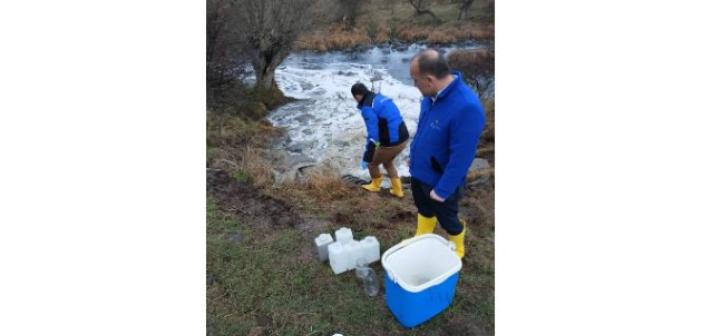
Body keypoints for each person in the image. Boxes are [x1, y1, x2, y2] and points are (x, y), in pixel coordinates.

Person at [408, 49, 485, 259]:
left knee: (448, 219)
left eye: (416, 81)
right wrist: (414, 156)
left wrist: (443, 190)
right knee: (423, 209)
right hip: (419, 172)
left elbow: (463, 157)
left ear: (430, 79)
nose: (414, 86)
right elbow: (425, 129)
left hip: (440, 182)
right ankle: (423, 234)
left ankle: (458, 245)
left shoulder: (467, 107)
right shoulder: (430, 96)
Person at [351, 82, 409, 198]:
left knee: (372, 163)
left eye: (354, 97)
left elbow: (373, 134)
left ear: (357, 96)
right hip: (404, 137)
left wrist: (367, 156)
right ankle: (398, 190)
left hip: (392, 141)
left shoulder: (367, 108)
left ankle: (375, 186)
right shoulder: (379, 97)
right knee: (387, 162)